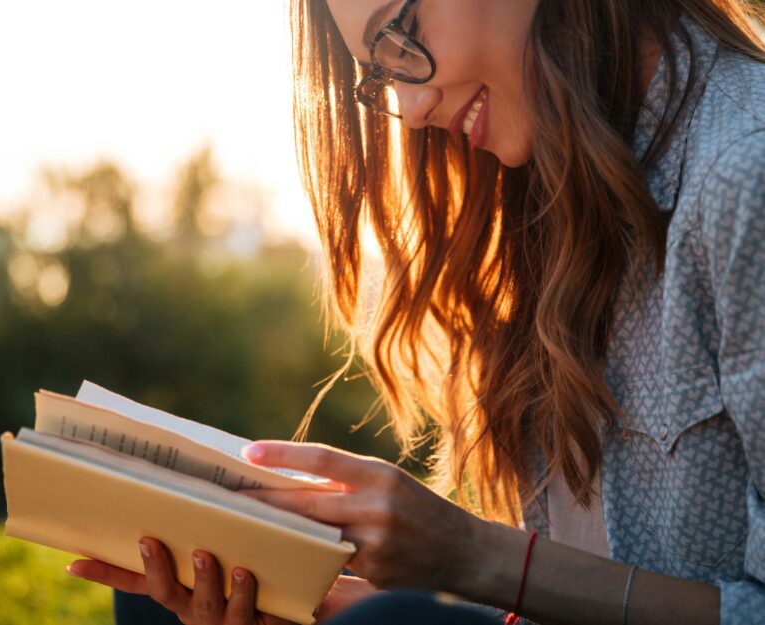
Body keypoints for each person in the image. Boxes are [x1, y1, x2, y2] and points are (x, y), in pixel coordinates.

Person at [65, 1, 765, 623]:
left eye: (399, 34)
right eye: (380, 74)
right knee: (165, 586)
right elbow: (578, 580)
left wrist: (473, 554)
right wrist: (334, 603)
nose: (408, 107)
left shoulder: (744, 175)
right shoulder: (553, 195)